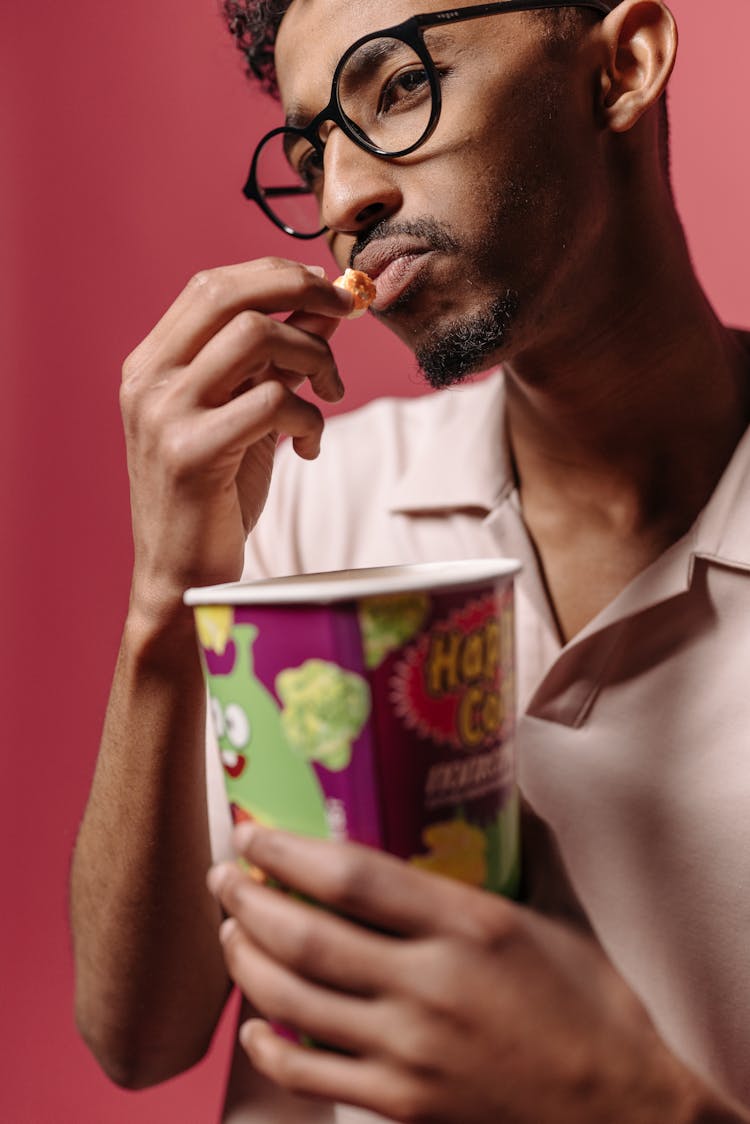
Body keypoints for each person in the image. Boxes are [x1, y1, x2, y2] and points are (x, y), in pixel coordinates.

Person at [69, 0, 750, 1120]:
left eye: (398, 89)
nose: (340, 203)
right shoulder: (313, 495)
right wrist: (167, 595)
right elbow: (141, 1036)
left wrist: (621, 1097)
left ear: (623, 67)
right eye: (311, 149)